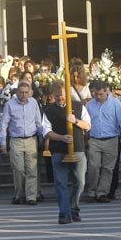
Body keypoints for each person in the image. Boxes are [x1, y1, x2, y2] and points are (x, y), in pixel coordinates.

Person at [42, 80, 91, 224]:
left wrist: (76, 121)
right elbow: (46, 132)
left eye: (62, 95)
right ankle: (64, 213)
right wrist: (61, 138)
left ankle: (73, 208)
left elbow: (88, 125)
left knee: (80, 182)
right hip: (58, 150)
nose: (60, 98)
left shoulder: (78, 106)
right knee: (60, 183)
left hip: (78, 149)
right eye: (56, 95)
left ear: (67, 93)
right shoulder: (49, 110)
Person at [85, 79, 121, 203]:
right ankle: (92, 191)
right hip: (94, 139)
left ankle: (102, 193)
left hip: (111, 139)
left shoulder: (115, 103)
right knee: (93, 166)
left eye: (100, 94)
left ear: (106, 92)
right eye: (95, 94)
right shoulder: (90, 104)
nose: (98, 96)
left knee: (108, 168)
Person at [0, 82, 42, 205]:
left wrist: (43, 138)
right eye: (21, 92)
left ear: (30, 93)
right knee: (18, 169)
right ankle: (20, 195)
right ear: (17, 93)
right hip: (16, 140)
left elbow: (38, 122)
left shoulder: (33, 103)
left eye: (26, 92)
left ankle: (31, 197)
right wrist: (3, 143)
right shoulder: (10, 105)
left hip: (31, 139)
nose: (23, 95)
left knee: (32, 169)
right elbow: (3, 124)